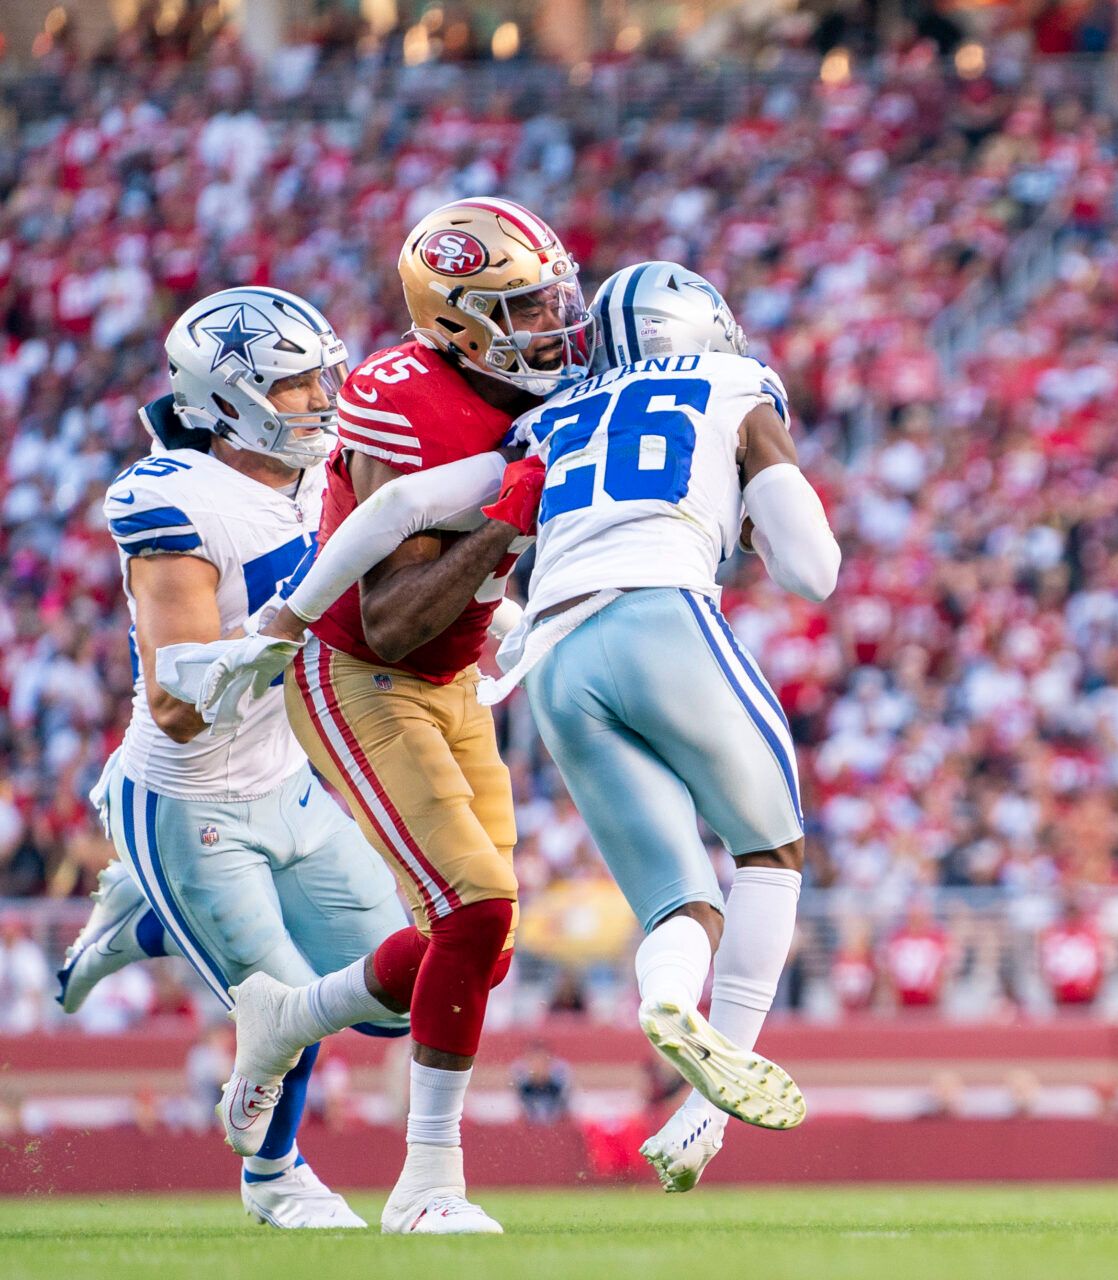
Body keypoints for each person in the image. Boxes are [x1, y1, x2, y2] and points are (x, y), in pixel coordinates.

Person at [189, 260, 837, 1195]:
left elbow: (402, 505)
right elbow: (812, 570)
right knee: (769, 853)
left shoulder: (551, 416)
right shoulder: (734, 384)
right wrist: (748, 512)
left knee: (674, 897)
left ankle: (664, 1002)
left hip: (555, 662)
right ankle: (702, 1114)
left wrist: (279, 619)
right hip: (662, 615)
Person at [159, 198, 590, 1235]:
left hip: (455, 677)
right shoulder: (401, 397)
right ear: (456, 319)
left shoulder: (546, 382)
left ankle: (288, 1015)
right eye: (521, 308)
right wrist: (506, 520)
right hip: (357, 668)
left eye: (548, 301)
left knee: (478, 947)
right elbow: (392, 620)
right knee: (476, 906)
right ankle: (428, 1181)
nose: (548, 326)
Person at [84, 286, 415, 1228]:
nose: (322, 397)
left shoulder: (316, 475)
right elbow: (178, 707)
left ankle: (147, 928)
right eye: (296, 382)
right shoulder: (176, 503)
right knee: (281, 1005)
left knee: (402, 997)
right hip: (191, 798)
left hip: (287, 782)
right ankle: (274, 1182)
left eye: (321, 374)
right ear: (228, 401)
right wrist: (303, 630)